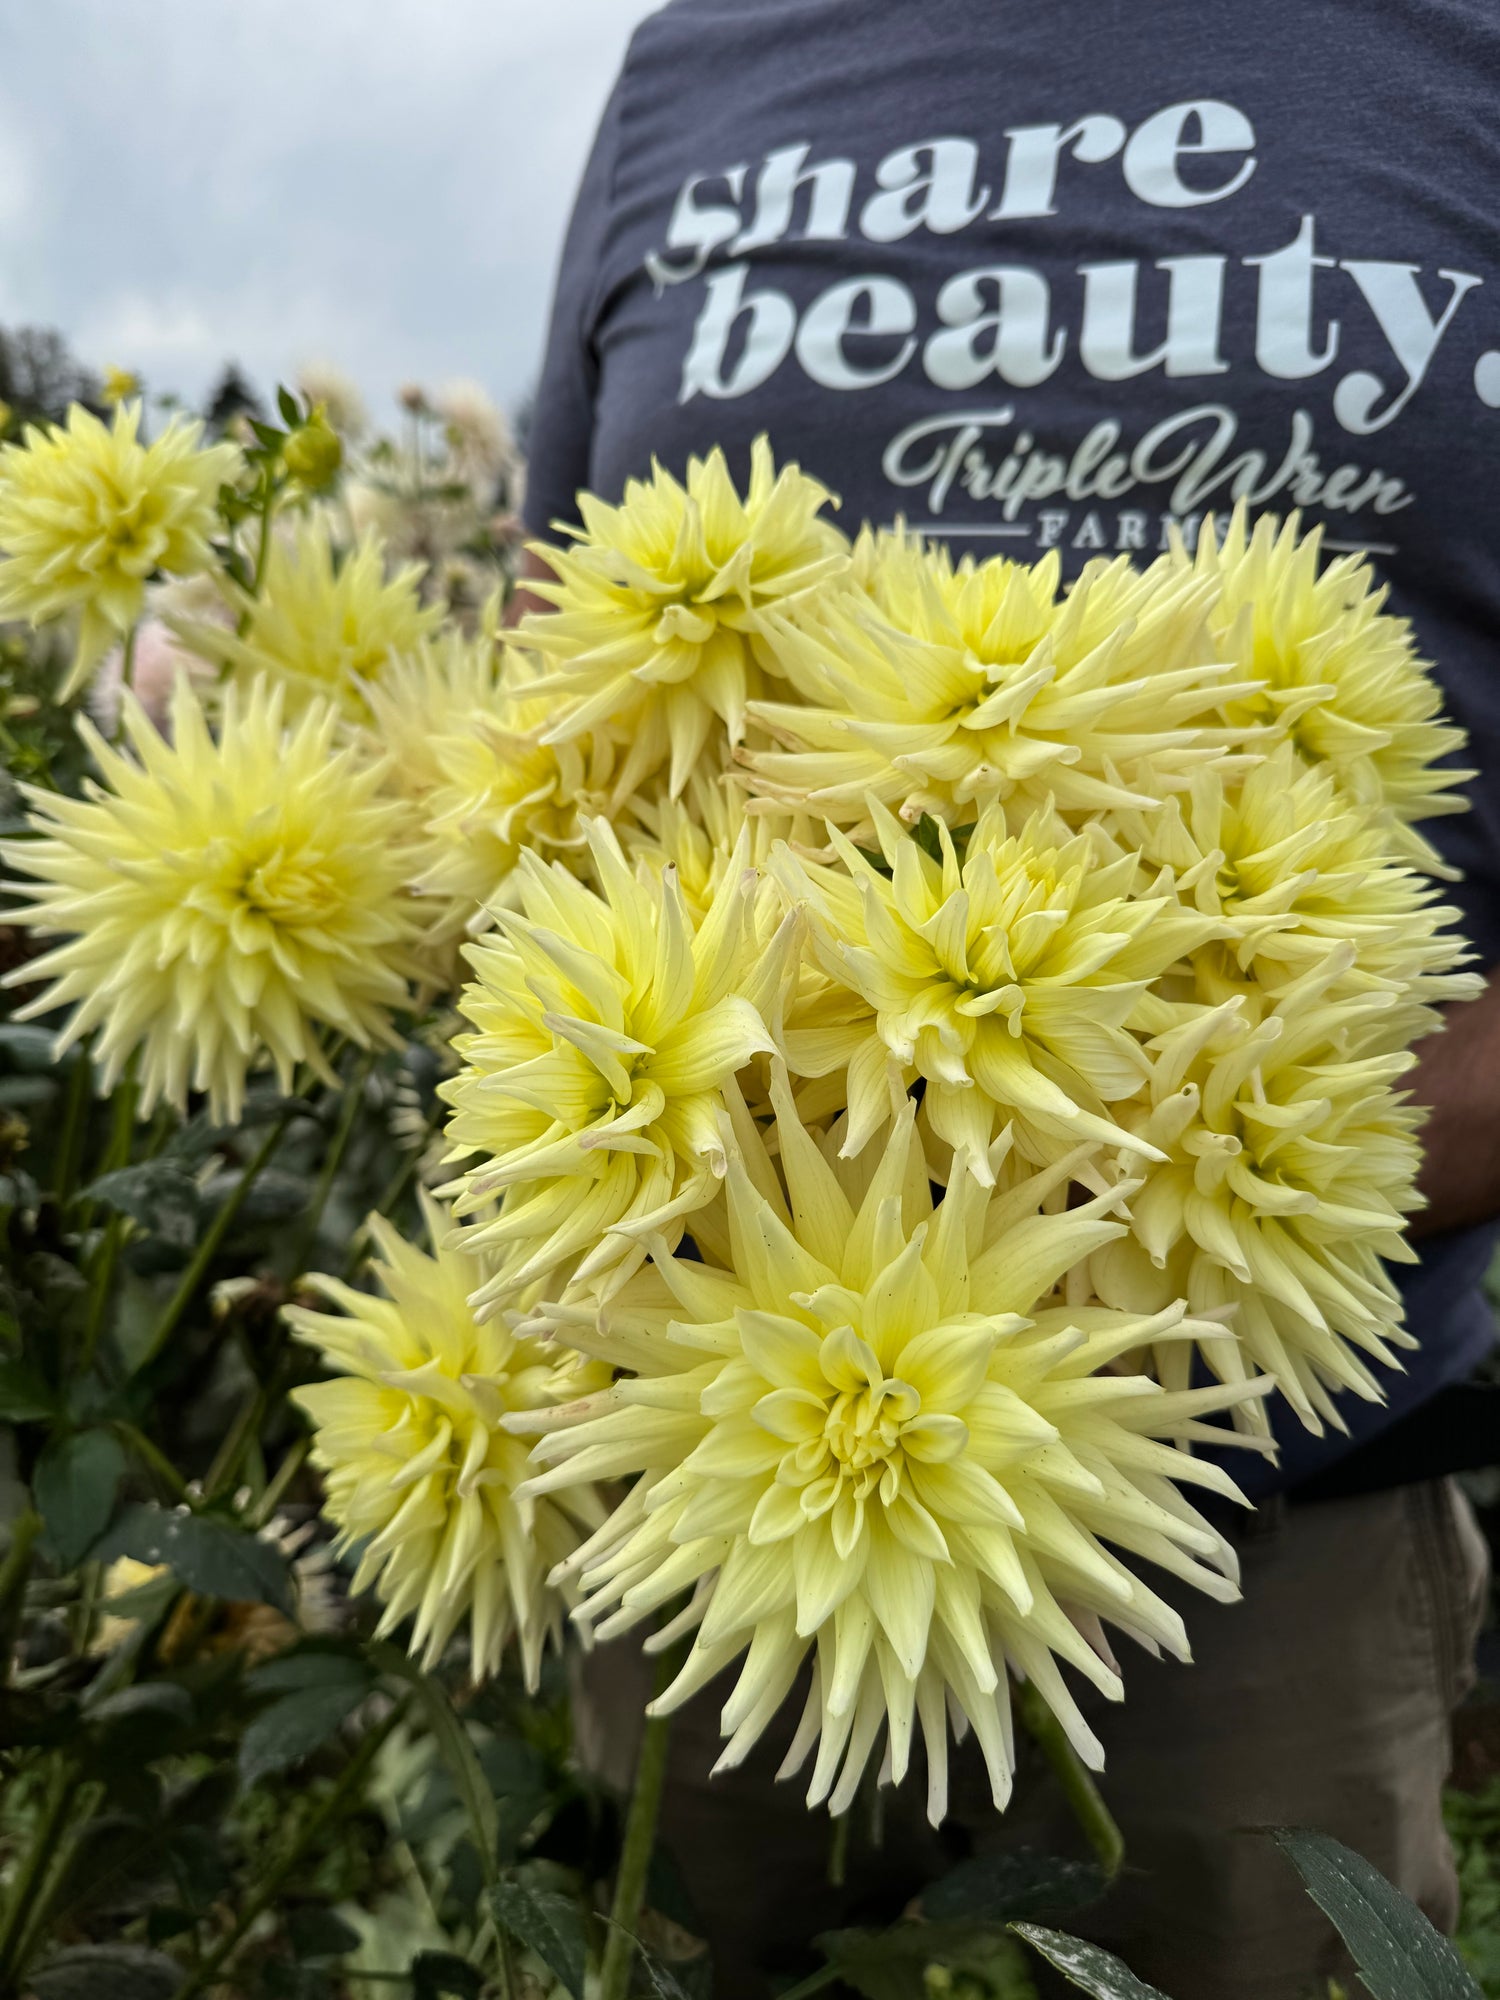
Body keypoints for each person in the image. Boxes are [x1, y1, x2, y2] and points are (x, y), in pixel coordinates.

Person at [515, 4, 1500, 1992]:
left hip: (1274, 1513)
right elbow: (555, 677)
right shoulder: (694, 64)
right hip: (708, 1459)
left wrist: (1275, 1146)